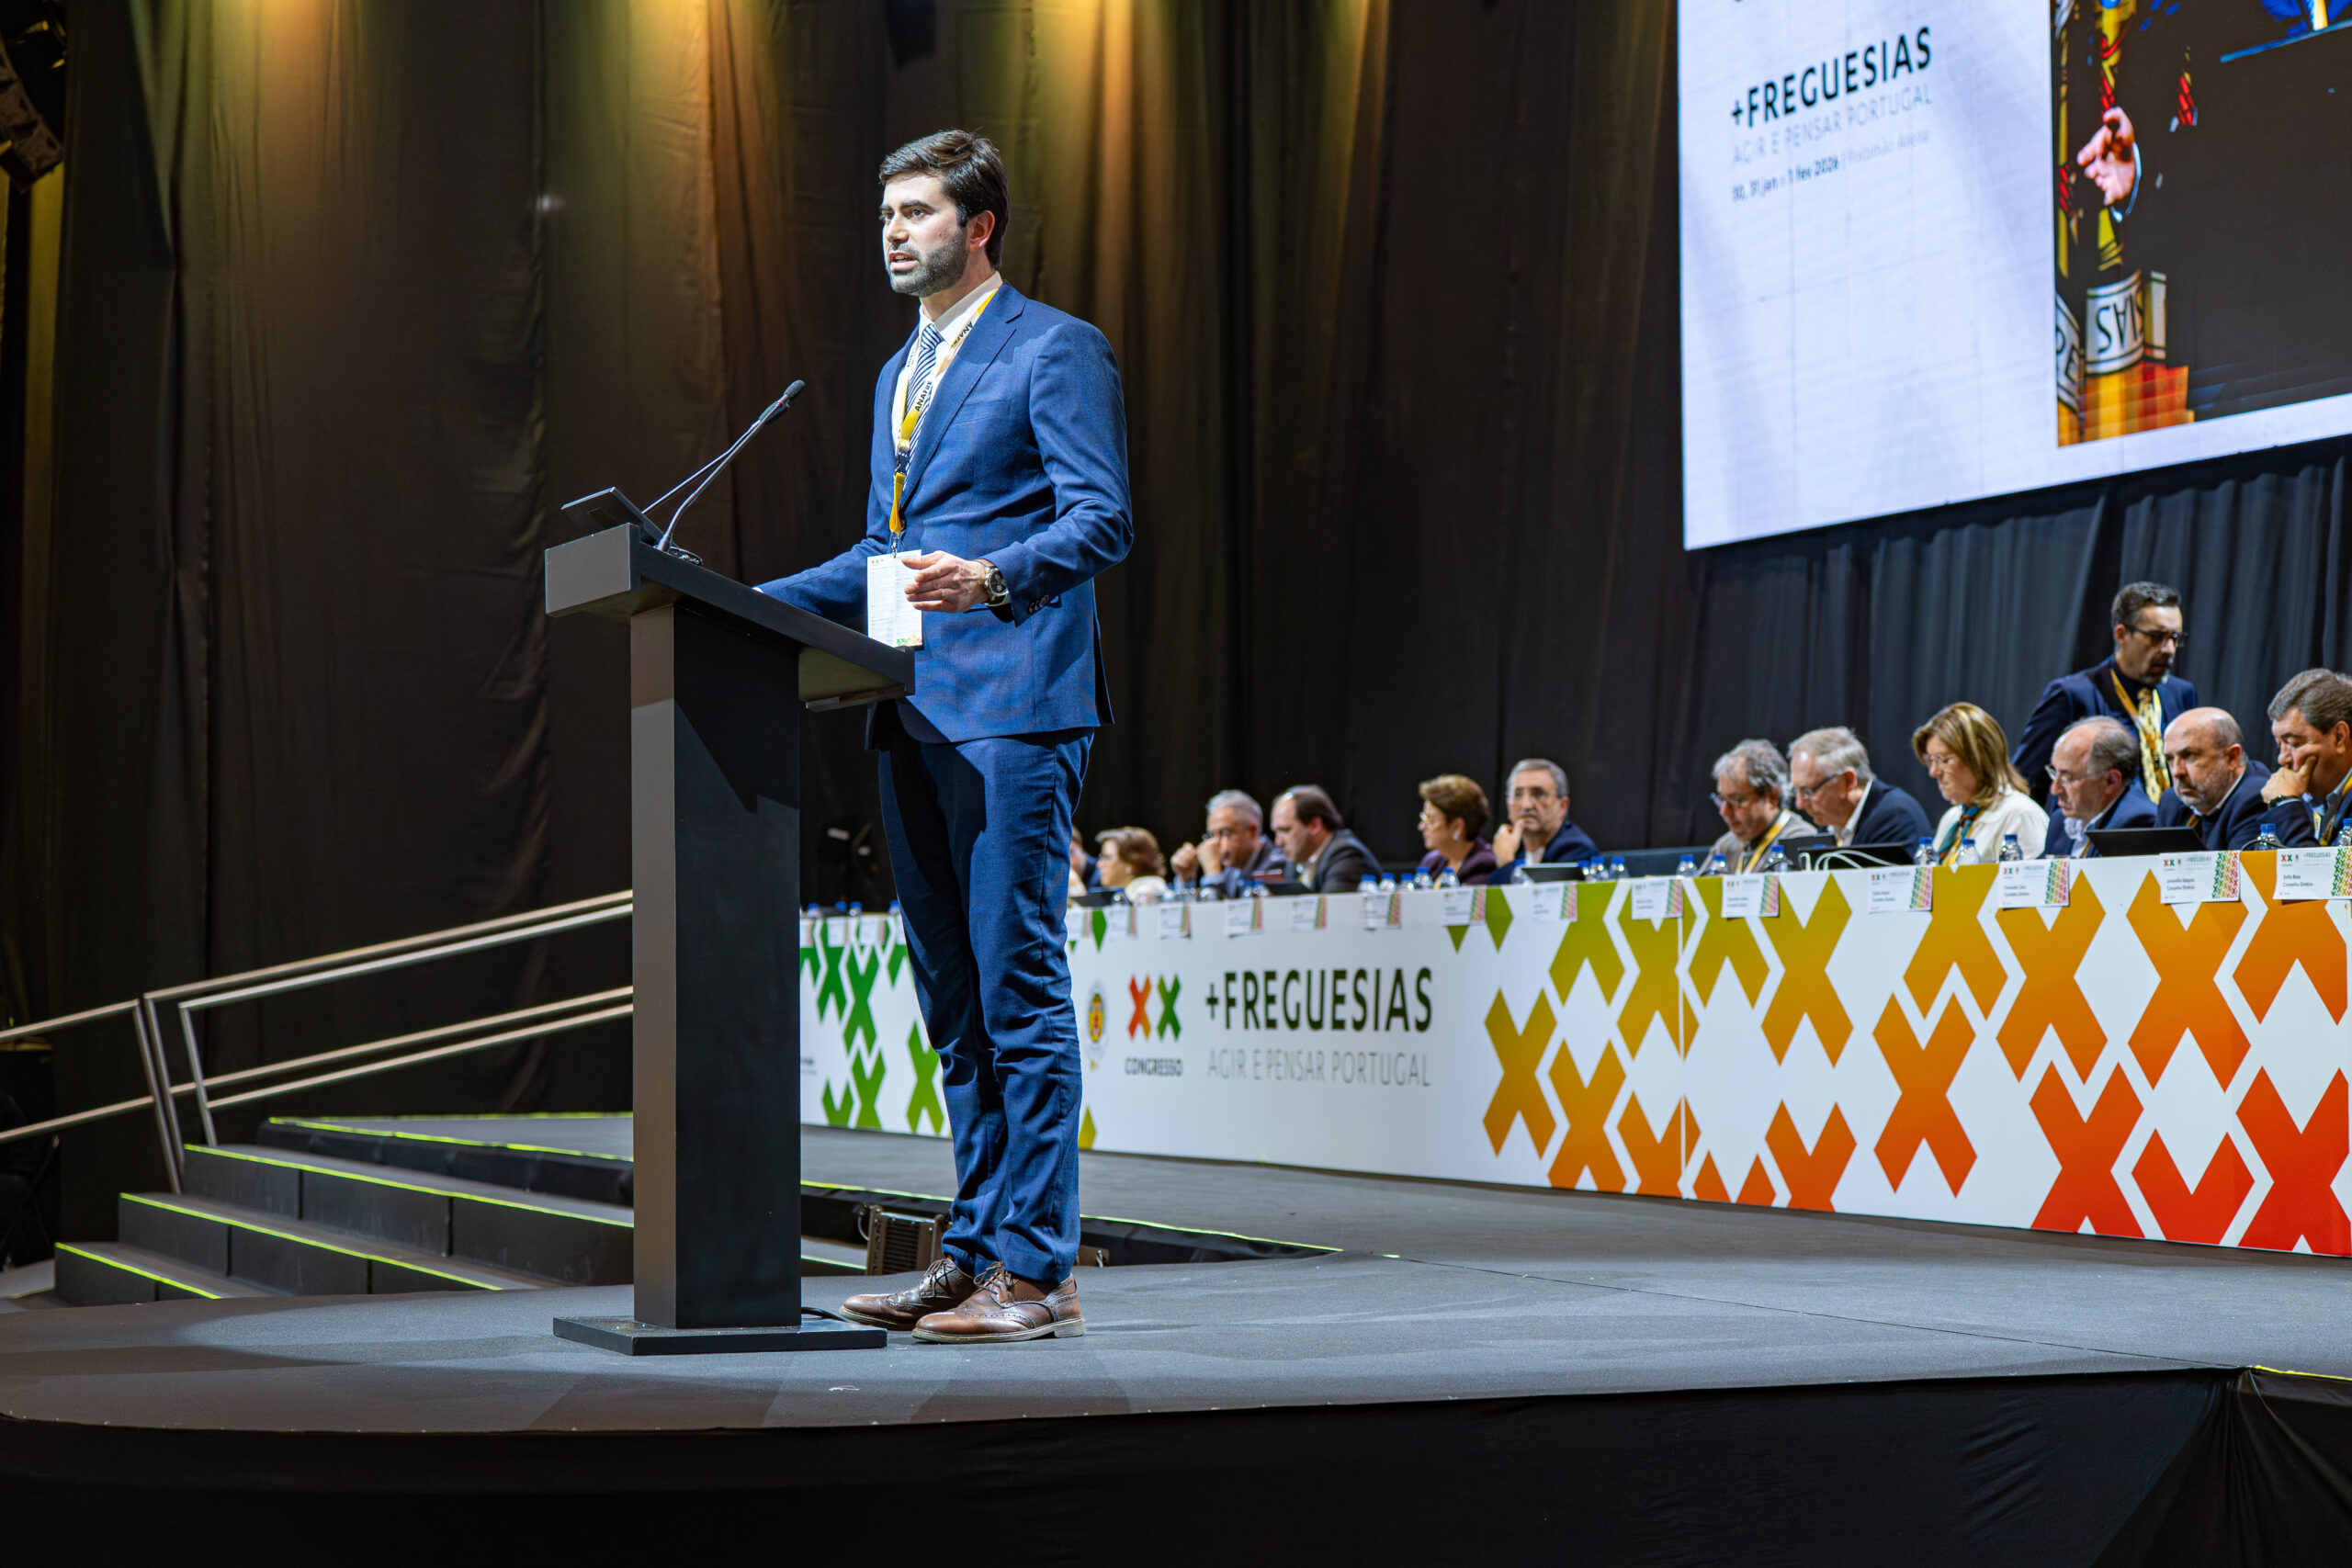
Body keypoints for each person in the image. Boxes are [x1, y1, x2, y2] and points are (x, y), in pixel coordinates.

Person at [762, 130, 1129, 1345]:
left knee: (1017, 983)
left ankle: (1039, 1269)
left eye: (917, 212)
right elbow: (885, 553)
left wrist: (994, 575)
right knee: (955, 1002)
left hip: (1017, 705)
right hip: (912, 705)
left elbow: (1102, 518)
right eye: (886, 214)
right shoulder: (898, 373)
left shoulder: (1054, 347)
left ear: (978, 226)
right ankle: (973, 1252)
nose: (894, 231)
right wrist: (735, 600)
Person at [2010, 582, 2198, 803]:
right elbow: (2024, 781)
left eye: (2175, 638)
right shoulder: (2072, 695)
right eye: (2155, 637)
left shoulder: (2181, 694)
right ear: (2121, 634)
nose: (2168, 650)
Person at [2158, 707, 2311, 852]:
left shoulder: (2256, 798)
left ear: (2231, 757)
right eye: (2170, 759)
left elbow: (2236, 871)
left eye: (2190, 756)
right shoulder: (2171, 802)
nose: (2177, 771)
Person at [1916, 703, 2045, 865]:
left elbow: (2030, 880)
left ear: (1981, 759)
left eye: (1945, 760)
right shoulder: (1952, 819)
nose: (1934, 772)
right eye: (1931, 761)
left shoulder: (2021, 814)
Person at [1787, 728, 1931, 849]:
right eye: (1795, 791)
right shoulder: (1831, 821)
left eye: (1807, 791)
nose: (1799, 804)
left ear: (1848, 780)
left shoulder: (1895, 818)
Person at [2259, 670, 2352, 847]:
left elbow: (2315, 866)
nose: (2282, 759)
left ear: (2339, 737)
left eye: (2294, 743)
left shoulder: (2290, 803)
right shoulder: (2304, 798)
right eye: (2280, 745)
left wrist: (2286, 806)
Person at [2042, 717, 2154, 858]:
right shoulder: (2060, 821)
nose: (2055, 789)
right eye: (2054, 772)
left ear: (2111, 781)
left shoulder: (2135, 824)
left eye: (2067, 779)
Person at [1489, 759, 1600, 878]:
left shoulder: (1575, 849)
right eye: (1518, 794)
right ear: (1508, 804)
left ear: (1563, 806)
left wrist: (1506, 864)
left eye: (1539, 794)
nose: (1526, 805)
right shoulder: (1510, 848)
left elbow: (1543, 891)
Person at [1170, 789, 1291, 897]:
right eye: (1212, 835)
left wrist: (1212, 870)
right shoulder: (1231, 872)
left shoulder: (1277, 865)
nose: (1214, 844)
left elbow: (1226, 914)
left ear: (1252, 831)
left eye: (1225, 833)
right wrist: (1186, 878)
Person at [1706, 739, 1802, 873]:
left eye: (1737, 800)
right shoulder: (1726, 846)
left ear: (1772, 797)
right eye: (1722, 799)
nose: (1724, 811)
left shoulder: (1799, 842)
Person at [1271, 785, 1381, 894]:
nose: (1278, 842)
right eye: (1276, 832)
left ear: (1314, 825)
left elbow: (1332, 906)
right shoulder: (1296, 860)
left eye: (1285, 830)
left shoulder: (1346, 857)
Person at [1416, 774, 1498, 885]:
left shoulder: (1483, 865)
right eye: (1424, 818)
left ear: (1457, 827)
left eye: (1431, 820)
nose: (1421, 827)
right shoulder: (1431, 861)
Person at [1093, 827, 1170, 904]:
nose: (1099, 864)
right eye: (1101, 857)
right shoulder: (1132, 892)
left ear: (1131, 864)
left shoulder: (1146, 891)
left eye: (1107, 858)